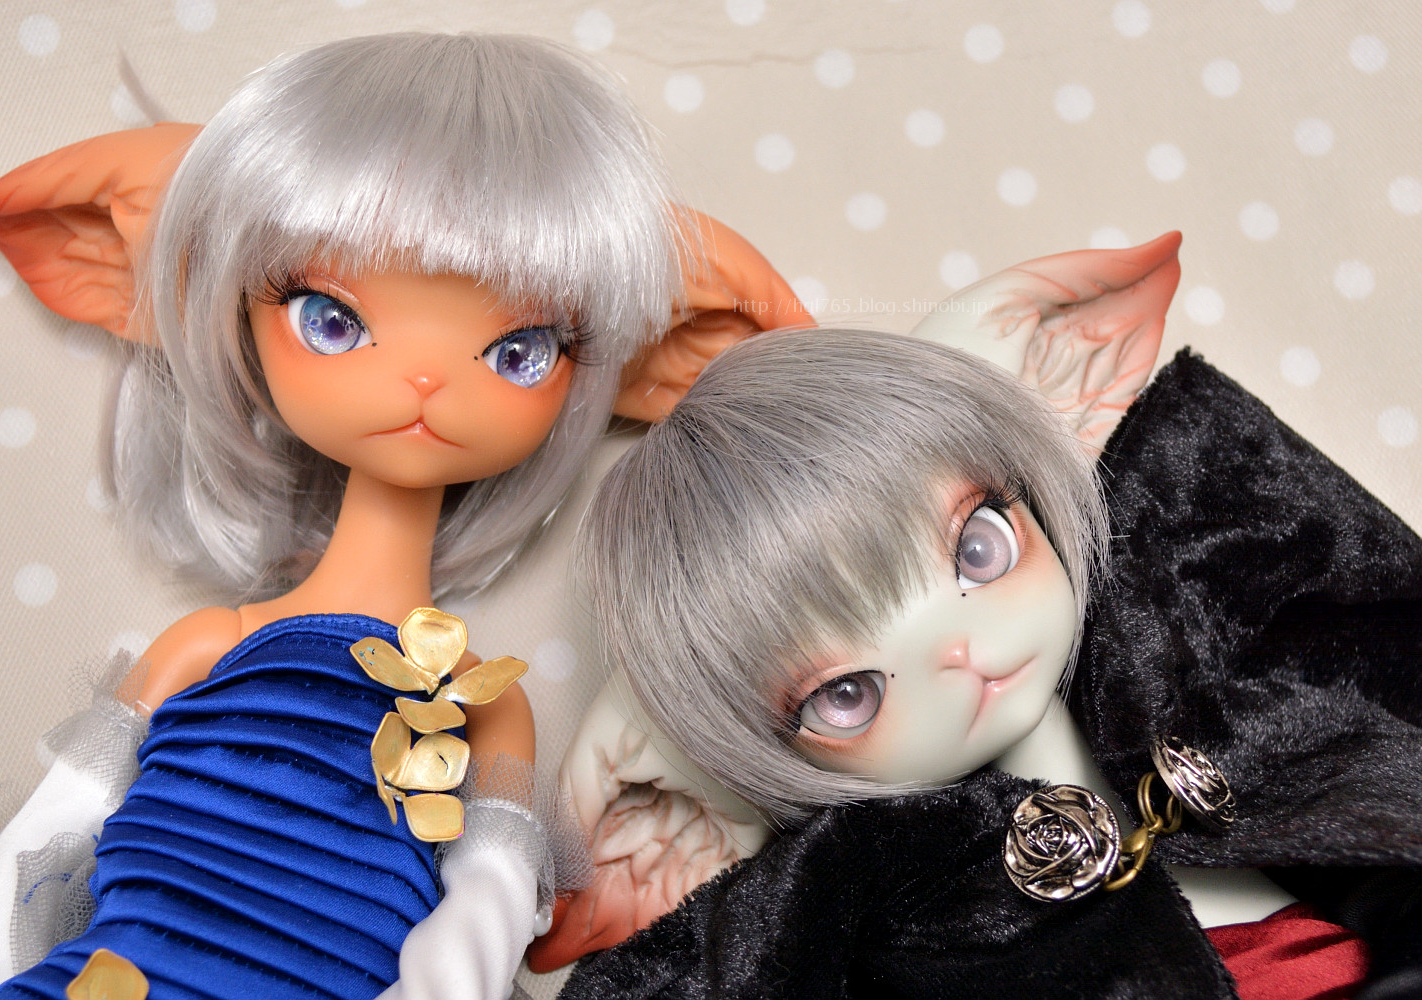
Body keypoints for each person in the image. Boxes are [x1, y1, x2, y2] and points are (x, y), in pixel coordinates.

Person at [0, 31, 808, 1000]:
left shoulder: (486, 701)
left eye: (520, 350)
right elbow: (52, 836)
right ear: (219, 301)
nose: (423, 380)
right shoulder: (209, 645)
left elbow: (486, 904)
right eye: (332, 320)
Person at [550, 238, 1422, 997]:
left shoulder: (1210, 590)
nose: (959, 653)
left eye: (977, 550)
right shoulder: (862, 890)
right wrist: (678, 713)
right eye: (847, 694)